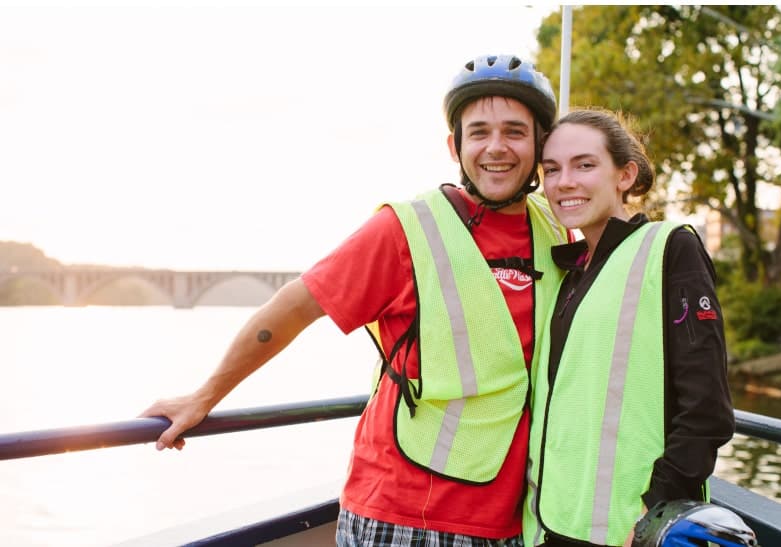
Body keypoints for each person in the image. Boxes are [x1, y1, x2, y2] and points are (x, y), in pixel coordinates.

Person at [141, 54, 571, 547]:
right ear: (455, 146)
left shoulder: (555, 230)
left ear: (540, 143)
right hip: (403, 514)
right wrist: (204, 397)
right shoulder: (407, 229)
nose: (496, 147)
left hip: (513, 518)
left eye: (515, 131)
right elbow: (293, 309)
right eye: (479, 132)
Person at [522, 108, 735, 547]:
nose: (564, 181)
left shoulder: (670, 248)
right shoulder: (569, 275)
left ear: (624, 175)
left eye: (584, 164)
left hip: (631, 532)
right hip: (555, 526)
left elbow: (706, 411)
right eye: (551, 169)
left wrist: (652, 512)